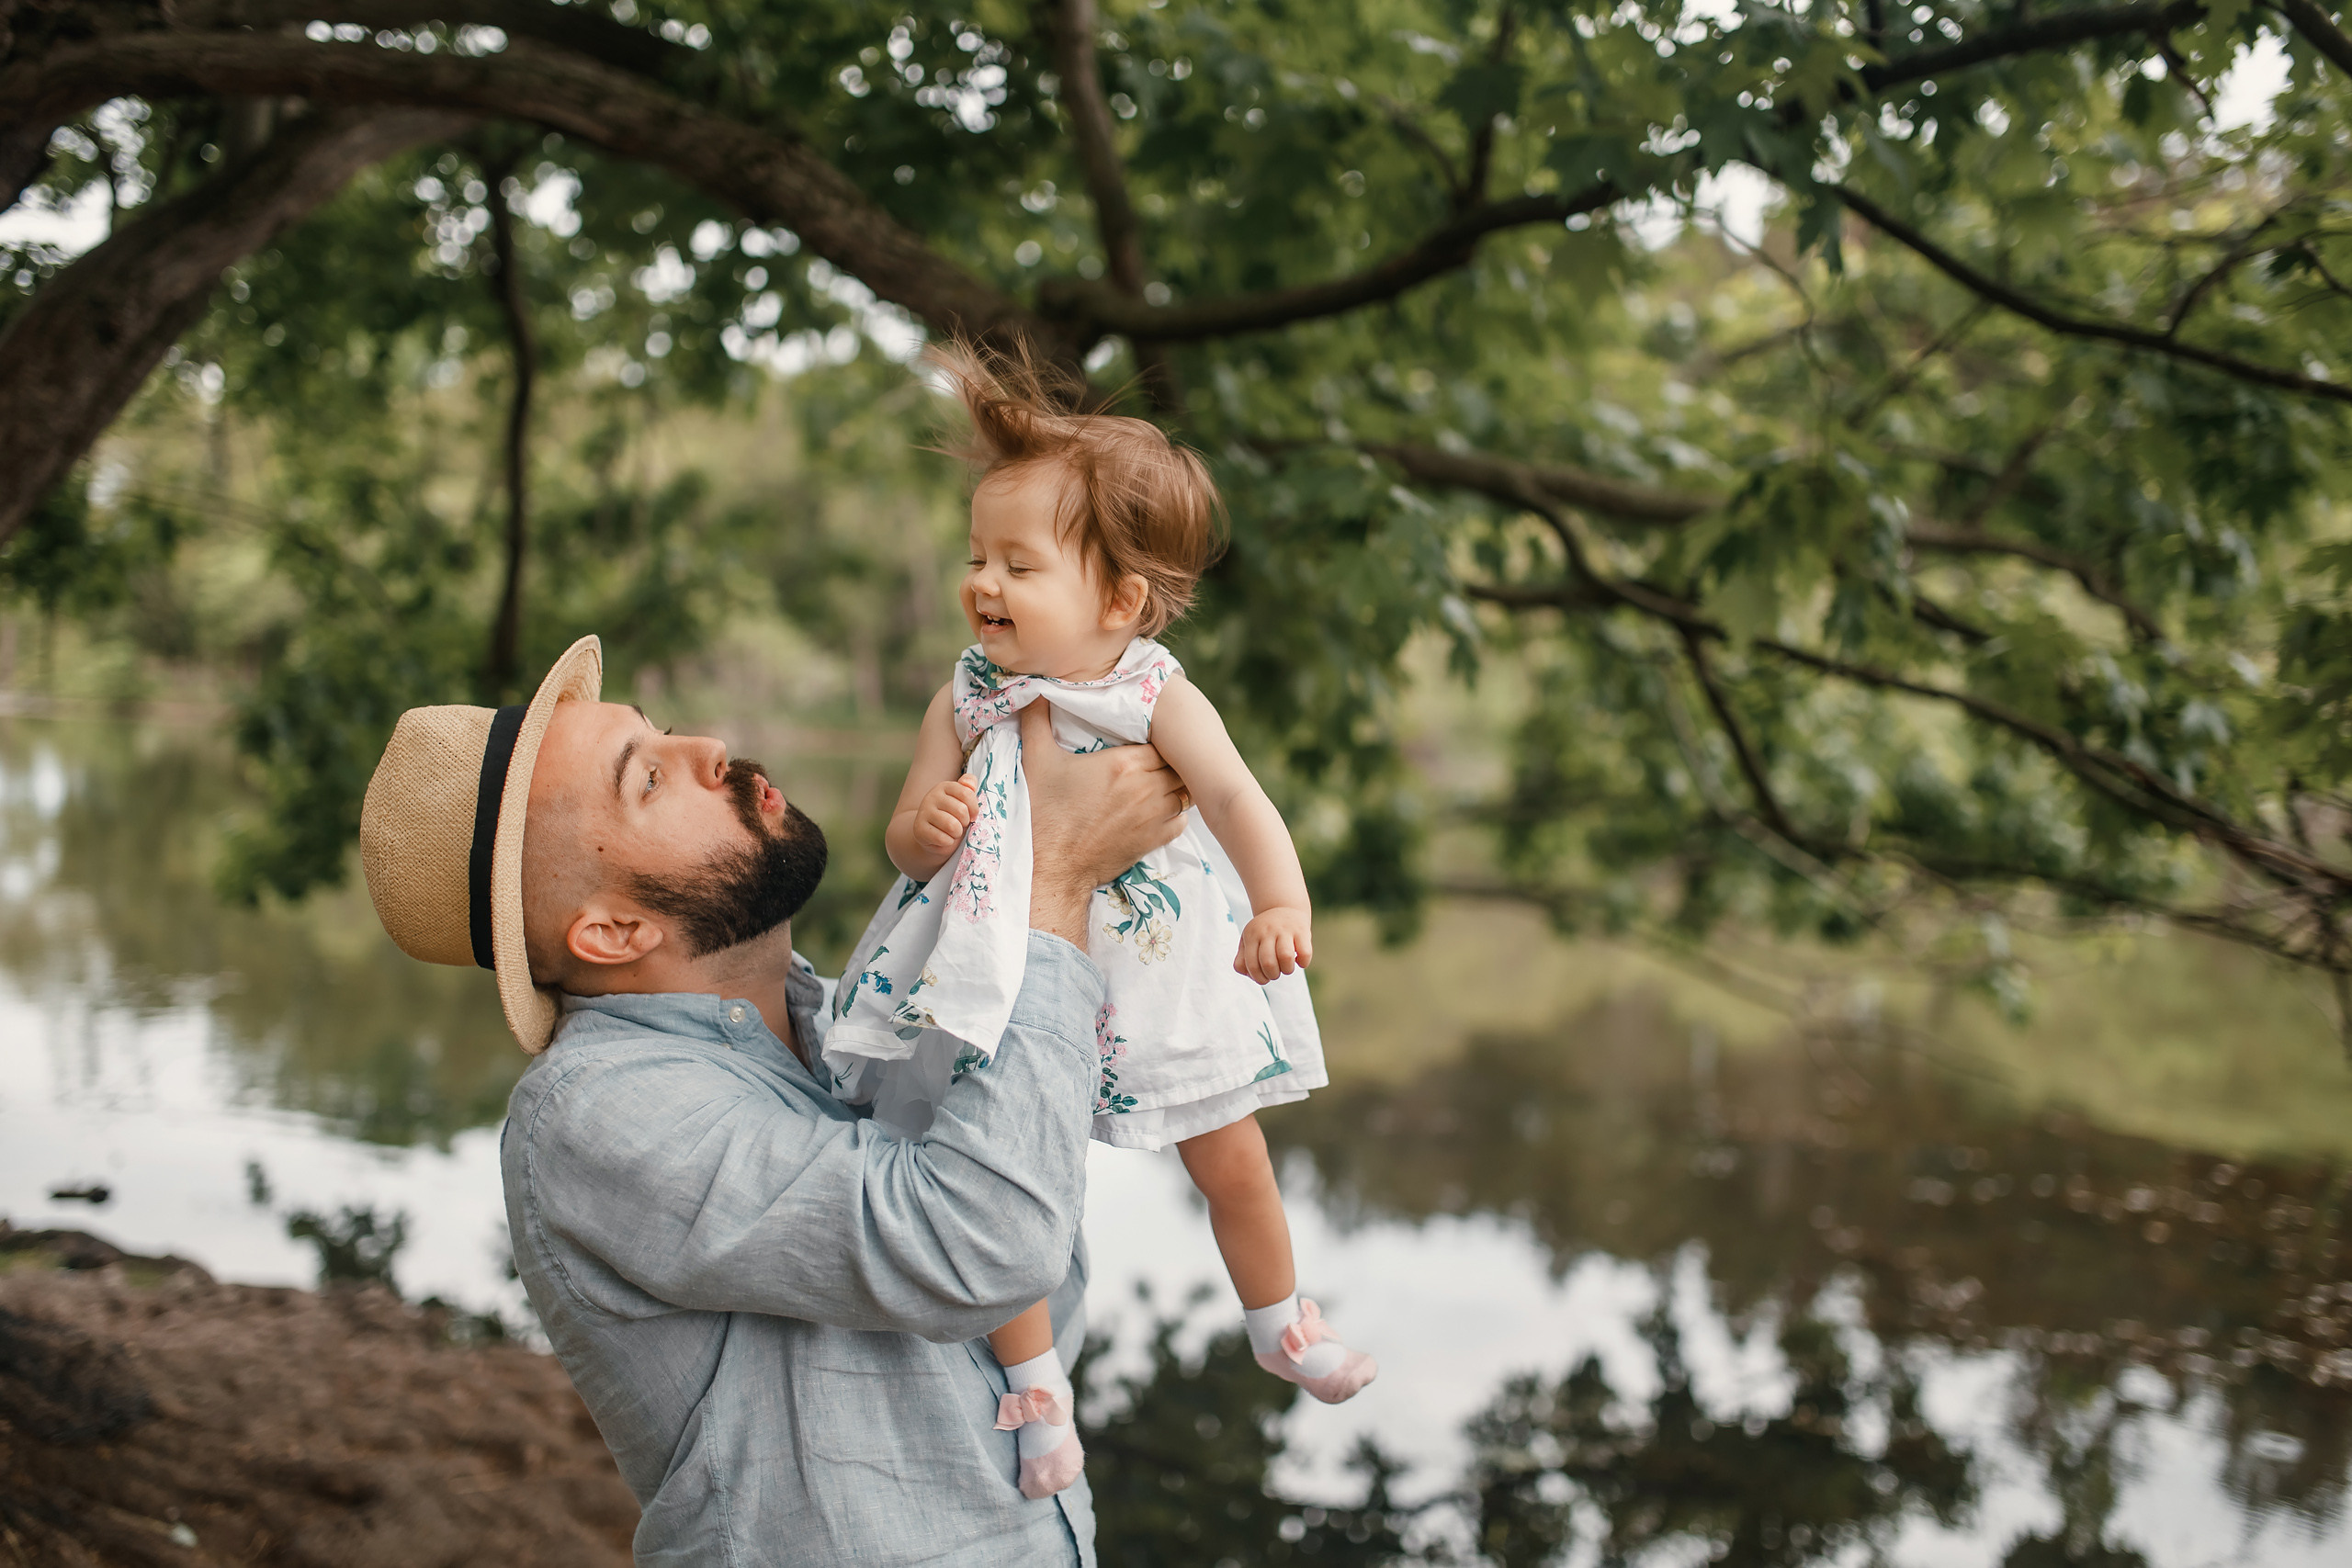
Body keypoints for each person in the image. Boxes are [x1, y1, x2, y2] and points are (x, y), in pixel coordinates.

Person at [356, 631, 1186, 1565]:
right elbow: (991, 1241)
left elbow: (1040, 1284)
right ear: (614, 930)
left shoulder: (848, 1017)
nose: (708, 748)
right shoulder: (591, 1115)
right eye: (648, 780)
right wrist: (1053, 881)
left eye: (662, 730)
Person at [822, 344, 1376, 1500]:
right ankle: (1035, 1394)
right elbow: (903, 838)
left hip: (1154, 964)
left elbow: (1235, 798)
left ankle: (1279, 1319)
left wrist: (1281, 901)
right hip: (990, 960)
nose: (984, 583)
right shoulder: (964, 696)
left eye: (1018, 564)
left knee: (1230, 1152)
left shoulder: (1152, 691)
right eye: (976, 558)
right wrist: (926, 827)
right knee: (981, 1166)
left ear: (1119, 601)